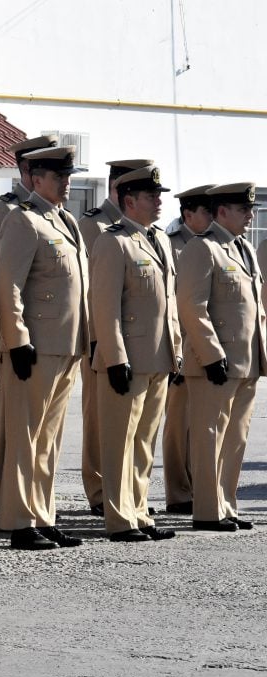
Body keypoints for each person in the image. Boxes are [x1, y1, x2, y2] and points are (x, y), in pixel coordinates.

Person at [0, 145, 89, 551]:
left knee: (48, 439)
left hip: (65, 345)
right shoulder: (23, 220)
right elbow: (7, 286)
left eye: (67, 176)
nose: (66, 183)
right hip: (34, 348)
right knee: (24, 436)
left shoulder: (65, 219)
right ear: (35, 179)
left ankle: (41, 513)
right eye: (58, 176)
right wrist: (17, 340)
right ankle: (19, 521)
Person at [89, 166, 180, 542]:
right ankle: (119, 518)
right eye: (151, 196)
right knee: (119, 442)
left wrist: (176, 352)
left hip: (157, 357)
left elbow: (169, 304)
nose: (159, 202)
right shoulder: (114, 242)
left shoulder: (159, 239)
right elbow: (104, 306)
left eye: (159, 196)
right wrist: (115, 358)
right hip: (126, 360)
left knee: (144, 442)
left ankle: (139, 512)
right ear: (130, 201)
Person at [177, 182, 266, 532]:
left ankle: (227, 504)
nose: (251, 216)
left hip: (246, 361)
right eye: (244, 209)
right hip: (215, 363)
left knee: (235, 438)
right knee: (209, 436)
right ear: (223, 211)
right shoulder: (203, 248)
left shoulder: (244, 248)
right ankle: (208, 511)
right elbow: (192, 306)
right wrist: (211, 354)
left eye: (251, 209)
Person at [77, 158, 153, 516]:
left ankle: (128, 497)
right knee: (99, 419)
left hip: (134, 340)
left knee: (135, 428)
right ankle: (99, 490)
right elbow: (94, 288)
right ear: (122, 189)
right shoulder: (95, 225)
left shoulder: (144, 230)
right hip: (101, 338)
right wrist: (99, 340)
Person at [163, 184, 216, 515]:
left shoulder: (211, 244)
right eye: (206, 211)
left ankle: (197, 487)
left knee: (200, 424)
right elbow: (173, 303)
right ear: (188, 214)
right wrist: (177, 352)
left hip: (205, 347)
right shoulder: (172, 245)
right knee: (177, 424)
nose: (212, 217)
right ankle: (178, 492)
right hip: (181, 346)